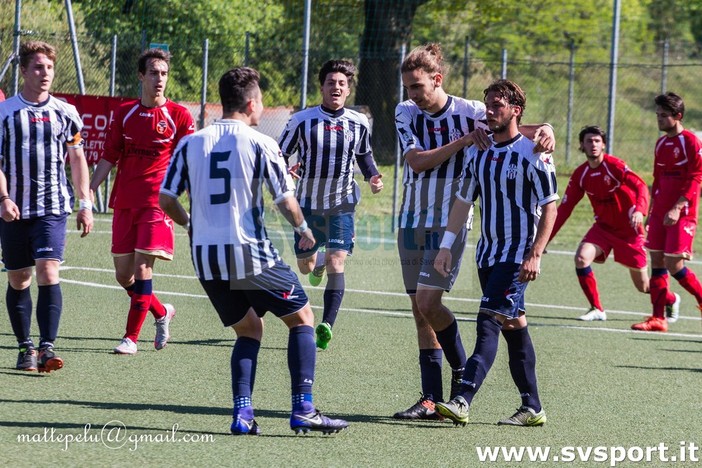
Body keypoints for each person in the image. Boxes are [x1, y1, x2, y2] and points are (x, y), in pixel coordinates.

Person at [159, 67, 349, 435]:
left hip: (206, 258)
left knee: (249, 330)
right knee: (303, 319)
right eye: (261, 99)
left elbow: (166, 198)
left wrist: (188, 224)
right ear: (250, 103)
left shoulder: (191, 142)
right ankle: (304, 409)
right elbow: (285, 200)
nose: (262, 106)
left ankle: (243, 415)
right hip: (249, 253)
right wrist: (305, 230)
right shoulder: (261, 142)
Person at [392, 43, 555, 421]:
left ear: (437, 79)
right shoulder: (405, 112)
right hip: (412, 219)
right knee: (422, 312)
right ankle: (432, 400)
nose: (412, 95)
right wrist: (465, 140)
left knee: (429, 303)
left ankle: (463, 384)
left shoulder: (470, 111)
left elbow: (511, 124)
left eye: (418, 86)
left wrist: (545, 129)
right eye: (408, 87)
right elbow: (416, 162)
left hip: (449, 222)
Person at [434, 79, 558, 427]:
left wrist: (536, 253)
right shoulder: (478, 151)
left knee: (487, 321)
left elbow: (551, 207)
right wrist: (446, 246)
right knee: (515, 327)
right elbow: (462, 201)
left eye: (497, 106)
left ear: (515, 111)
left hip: (517, 256)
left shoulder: (534, 152)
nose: (489, 112)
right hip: (487, 254)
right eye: (487, 105)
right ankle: (532, 407)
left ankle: (462, 398)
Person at [89, 48, 195, 354]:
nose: (159, 79)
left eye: (163, 73)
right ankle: (162, 313)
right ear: (141, 76)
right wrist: (91, 190)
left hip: (157, 202)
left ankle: (130, 338)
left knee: (144, 267)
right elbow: (110, 155)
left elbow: (189, 158)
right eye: (153, 73)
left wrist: (189, 192)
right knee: (124, 275)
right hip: (125, 200)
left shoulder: (179, 115)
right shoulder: (125, 113)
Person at [0, 41, 93, 372]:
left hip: (52, 207)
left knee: (48, 271)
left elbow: (77, 158)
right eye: (38, 67)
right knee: (19, 279)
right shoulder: (5, 112)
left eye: (50, 68)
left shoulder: (65, 112)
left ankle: (47, 348)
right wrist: (4, 198)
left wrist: (85, 202)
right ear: (23, 71)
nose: (45, 73)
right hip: (13, 210)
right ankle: (25, 346)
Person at [278, 59, 383, 350]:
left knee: (338, 261)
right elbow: (280, 153)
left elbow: (364, 156)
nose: (336, 87)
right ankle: (317, 262)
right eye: (330, 83)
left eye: (341, 83)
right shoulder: (302, 120)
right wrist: (285, 171)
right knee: (305, 265)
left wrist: (373, 176)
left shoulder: (359, 122)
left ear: (348, 89)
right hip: (307, 206)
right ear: (322, 87)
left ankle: (326, 324)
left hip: (342, 203)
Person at [548, 125, 661, 321]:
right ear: (582, 145)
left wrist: (640, 210)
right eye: (589, 141)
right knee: (581, 258)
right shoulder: (580, 174)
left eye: (597, 141)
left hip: (629, 231)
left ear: (604, 145)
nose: (593, 144)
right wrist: (544, 240)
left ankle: (669, 298)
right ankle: (597, 308)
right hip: (603, 229)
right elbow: (564, 210)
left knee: (643, 286)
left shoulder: (614, 165)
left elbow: (642, 186)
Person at [632, 92, 702, 332]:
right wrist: (652, 211)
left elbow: (697, 177)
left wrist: (677, 207)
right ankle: (657, 318)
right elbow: (658, 179)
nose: (659, 120)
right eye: (657, 115)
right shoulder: (661, 143)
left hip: (681, 212)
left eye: (664, 116)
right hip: (661, 210)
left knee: (674, 264)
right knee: (657, 260)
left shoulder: (691, 141)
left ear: (678, 116)